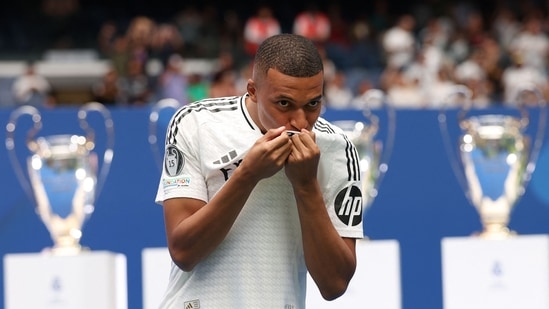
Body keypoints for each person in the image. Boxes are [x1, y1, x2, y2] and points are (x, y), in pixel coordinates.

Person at [155, 33, 364, 308]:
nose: (300, 122)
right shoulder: (195, 123)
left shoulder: (338, 147)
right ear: (252, 90)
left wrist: (305, 185)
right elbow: (184, 252)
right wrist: (248, 175)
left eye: (313, 104)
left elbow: (334, 284)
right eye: (284, 104)